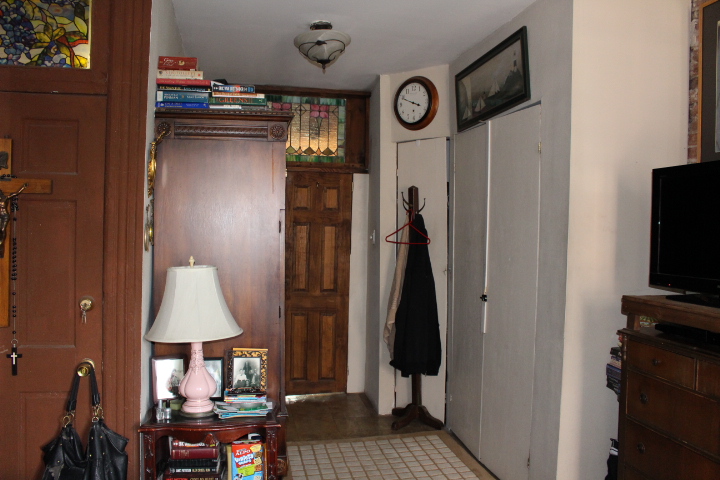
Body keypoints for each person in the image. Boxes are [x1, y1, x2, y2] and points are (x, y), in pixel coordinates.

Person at [0, 183, 27, 256]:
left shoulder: (5, 198)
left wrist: (23, 188)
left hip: (4, 216)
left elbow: (16, 193)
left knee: (3, 230)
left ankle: (1, 244)